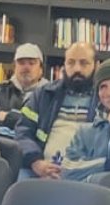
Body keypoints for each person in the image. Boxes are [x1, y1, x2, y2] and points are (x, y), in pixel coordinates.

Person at [14, 41, 98, 179]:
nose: (77, 69)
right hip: (40, 169)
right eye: (71, 63)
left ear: (96, 65)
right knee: (20, 185)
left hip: (86, 175)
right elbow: (23, 131)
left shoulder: (104, 98)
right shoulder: (44, 94)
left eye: (84, 63)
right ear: (64, 65)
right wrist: (35, 162)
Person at [0, 42, 47, 132]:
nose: (26, 67)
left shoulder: (50, 95)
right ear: (14, 67)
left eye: (31, 63)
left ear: (41, 69)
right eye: (21, 63)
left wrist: (8, 117)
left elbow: (44, 125)